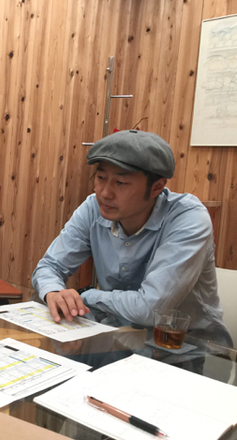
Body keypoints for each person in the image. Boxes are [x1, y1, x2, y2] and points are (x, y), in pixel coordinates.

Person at [32, 129, 232, 346]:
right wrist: (54, 291)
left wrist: (86, 295)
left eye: (120, 183)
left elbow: (150, 308)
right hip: (118, 337)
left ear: (157, 187)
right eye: (101, 178)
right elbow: (50, 266)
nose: (105, 193)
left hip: (189, 348)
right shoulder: (93, 208)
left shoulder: (188, 218)